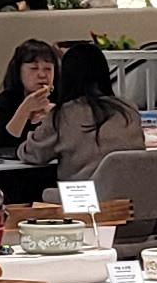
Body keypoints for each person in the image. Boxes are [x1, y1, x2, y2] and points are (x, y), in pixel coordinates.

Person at [42, 39, 144, 181]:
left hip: (83, 193)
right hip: (130, 190)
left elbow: (34, 154)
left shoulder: (62, 115)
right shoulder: (128, 109)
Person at [0, 33, 63, 156]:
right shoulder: (4, 102)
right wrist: (25, 109)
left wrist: (56, 116)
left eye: (48, 69)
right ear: (19, 71)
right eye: (34, 69)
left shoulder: (63, 100)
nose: (42, 75)